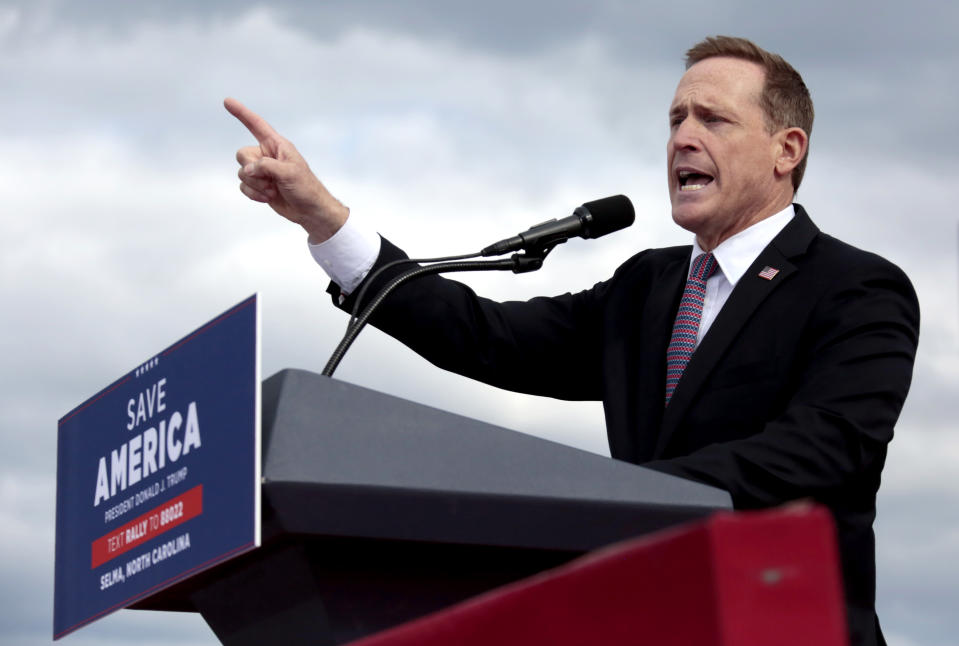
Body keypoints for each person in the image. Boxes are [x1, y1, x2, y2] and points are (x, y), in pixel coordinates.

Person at [226, 36, 918, 646]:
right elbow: (485, 336)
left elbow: (822, 451)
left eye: (711, 119)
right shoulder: (647, 287)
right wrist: (324, 220)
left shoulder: (854, 288)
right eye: (675, 118)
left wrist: (614, 497)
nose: (681, 137)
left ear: (784, 150)